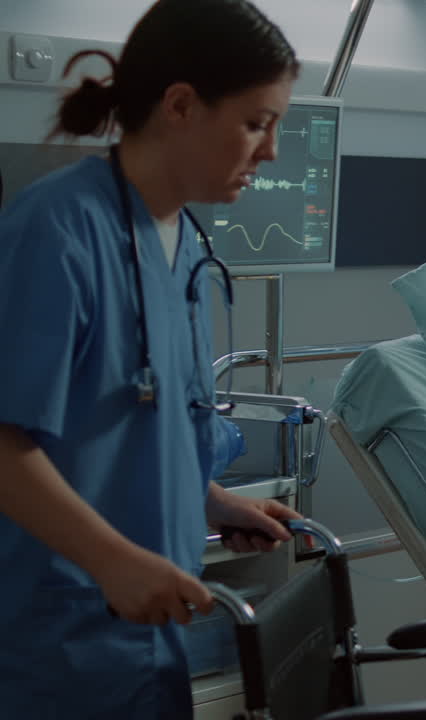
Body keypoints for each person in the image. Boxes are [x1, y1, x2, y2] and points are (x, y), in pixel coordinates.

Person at [0, 1, 302, 716]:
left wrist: (213, 500)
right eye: (257, 123)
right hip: (54, 646)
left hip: (146, 649)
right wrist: (109, 560)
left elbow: (128, 426)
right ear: (180, 106)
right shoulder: (56, 233)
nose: (272, 152)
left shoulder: (184, 246)